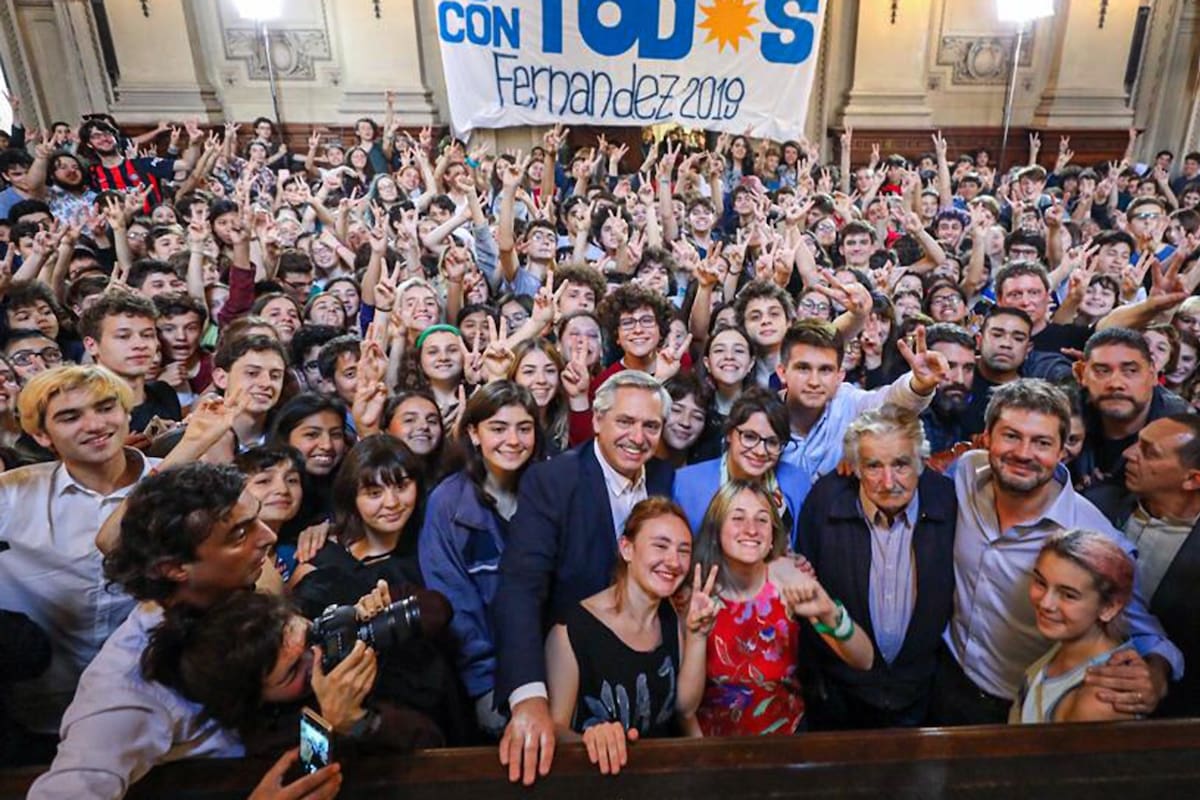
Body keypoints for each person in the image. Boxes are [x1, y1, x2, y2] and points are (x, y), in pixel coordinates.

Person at [26, 463, 334, 799]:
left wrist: (335, 718)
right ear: (173, 568)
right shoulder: (128, 691)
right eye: (240, 533)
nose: (269, 536)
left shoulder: (241, 592)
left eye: (258, 518)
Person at [933, 379, 1182, 726]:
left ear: (1063, 450)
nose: (1023, 453)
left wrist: (1156, 672)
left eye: (1042, 442)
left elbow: (1143, 630)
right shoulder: (965, 472)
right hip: (944, 674)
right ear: (986, 436)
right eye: (1011, 435)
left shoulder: (1095, 538)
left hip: (1015, 705)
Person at [494, 370, 675, 785]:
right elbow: (519, 588)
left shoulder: (663, 478)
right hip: (572, 679)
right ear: (597, 421)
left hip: (647, 674)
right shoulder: (553, 480)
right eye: (625, 422)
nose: (638, 436)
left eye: (650, 426)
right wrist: (528, 697)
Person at [0, 366, 151, 759]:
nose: (95, 424)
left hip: (151, 713)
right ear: (41, 435)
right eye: (70, 416)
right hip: (39, 718)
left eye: (105, 408)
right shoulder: (12, 494)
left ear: (126, 413)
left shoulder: (177, 484)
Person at [288, 435, 466, 743]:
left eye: (401, 486)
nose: (392, 503)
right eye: (373, 492)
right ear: (351, 497)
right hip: (352, 712)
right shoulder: (320, 559)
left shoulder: (432, 548)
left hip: (434, 703)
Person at [797, 406, 956, 729]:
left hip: (921, 695)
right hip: (838, 696)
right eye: (873, 466)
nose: (888, 482)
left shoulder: (949, 502)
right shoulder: (825, 501)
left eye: (901, 464)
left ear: (921, 463)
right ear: (853, 468)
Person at [679, 480, 874, 736]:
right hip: (716, 749)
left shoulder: (787, 577)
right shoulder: (697, 594)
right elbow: (684, 708)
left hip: (787, 745)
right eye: (738, 518)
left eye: (762, 520)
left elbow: (864, 660)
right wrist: (702, 760)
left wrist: (831, 613)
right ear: (717, 531)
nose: (751, 529)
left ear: (772, 537)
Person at [419, 381, 542, 738]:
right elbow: (455, 603)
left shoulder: (550, 490)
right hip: (485, 675)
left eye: (524, 428)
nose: (513, 440)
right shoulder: (448, 503)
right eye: (498, 428)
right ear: (474, 433)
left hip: (549, 666)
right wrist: (485, 683)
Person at [545, 498, 692, 775]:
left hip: (660, 782)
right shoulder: (572, 630)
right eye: (660, 546)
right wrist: (591, 739)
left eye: (683, 551)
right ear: (626, 549)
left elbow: (685, 713)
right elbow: (553, 728)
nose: (673, 561)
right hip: (595, 782)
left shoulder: (674, 621)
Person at [1091, 415, 1200, 718]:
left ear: (1193, 479)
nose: (1128, 453)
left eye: (1148, 452)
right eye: (1137, 442)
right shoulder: (1098, 504)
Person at [773, 318, 950, 483]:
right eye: (803, 368)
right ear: (782, 372)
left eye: (825, 370)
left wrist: (919, 384)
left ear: (839, 376)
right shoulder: (761, 416)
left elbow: (891, 403)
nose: (813, 381)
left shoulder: (848, 401)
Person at [1011, 529, 1136, 724]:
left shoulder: (1099, 701)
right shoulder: (1071, 639)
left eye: (1068, 595)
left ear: (1109, 607)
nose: (1045, 603)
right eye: (1040, 582)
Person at [673, 387, 811, 546]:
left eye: (772, 442)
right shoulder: (686, 484)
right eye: (750, 437)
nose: (760, 451)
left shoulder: (797, 482)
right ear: (729, 433)